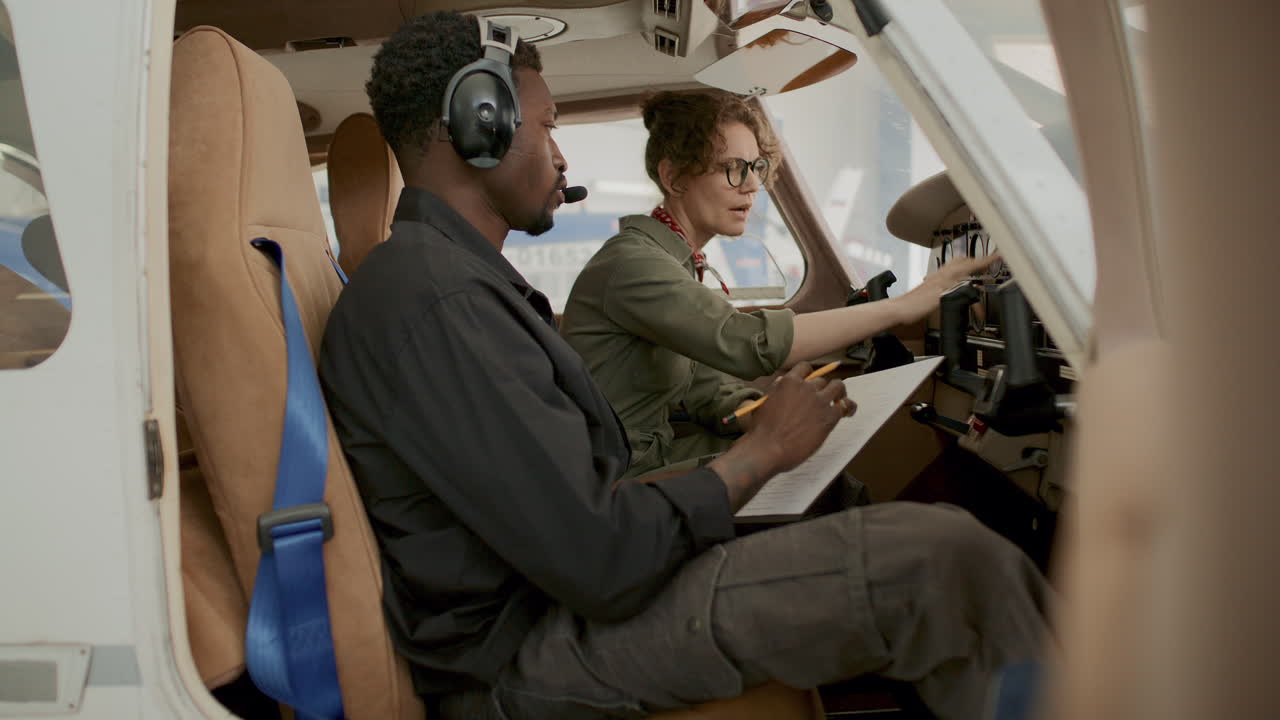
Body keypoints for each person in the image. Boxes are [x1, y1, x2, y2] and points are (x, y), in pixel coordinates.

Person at [319, 12, 1049, 720]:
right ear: (484, 125)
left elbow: (580, 507)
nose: (562, 155)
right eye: (546, 126)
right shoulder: (438, 301)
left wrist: (747, 441)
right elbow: (601, 556)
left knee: (914, 532)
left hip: (552, 603)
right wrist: (759, 456)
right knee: (949, 563)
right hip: (526, 654)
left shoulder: (453, 284)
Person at [560, 90, 995, 478]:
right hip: (623, 475)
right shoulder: (634, 264)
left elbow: (702, 388)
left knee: (818, 462)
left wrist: (754, 413)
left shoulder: (676, 262)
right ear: (674, 176)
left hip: (649, 454)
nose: (752, 185)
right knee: (811, 477)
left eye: (756, 167)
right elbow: (747, 343)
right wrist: (905, 306)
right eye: (732, 168)